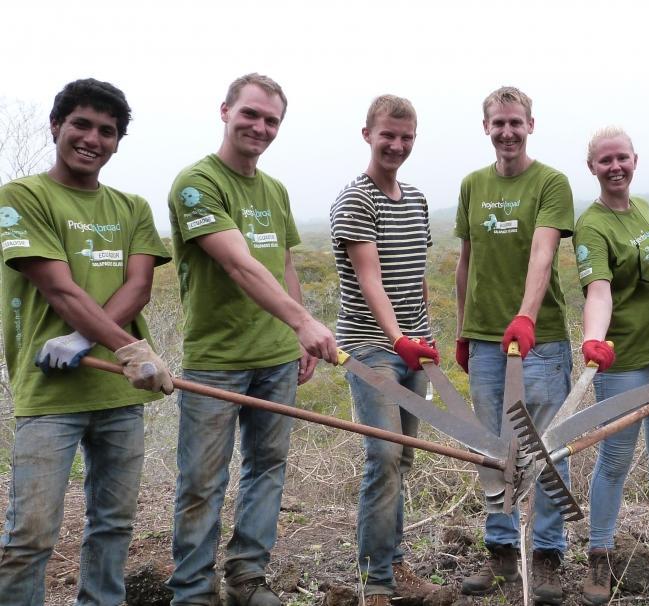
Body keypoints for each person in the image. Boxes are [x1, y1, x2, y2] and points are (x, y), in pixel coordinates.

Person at [165, 73, 339, 606]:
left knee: (267, 469)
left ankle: (247, 579)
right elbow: (239, 266)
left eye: (271, 120)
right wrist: (302, 323)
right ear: (225, 111)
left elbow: (282, 262)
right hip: (217, 360)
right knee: (202, 479)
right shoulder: (197, 183)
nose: (260, 127)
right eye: (251, 114)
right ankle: (192, 590)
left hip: (276, 360)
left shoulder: (274, 189)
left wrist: (297, 334)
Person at [0, 78, 173, 606]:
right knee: (29, 536)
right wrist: (132, 349)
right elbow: (57, 286)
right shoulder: (22, 197)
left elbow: (138, 286)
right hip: (49, 397)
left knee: (114, 526)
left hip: (119, 393)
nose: (92, 138)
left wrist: (89, 339)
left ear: (117, 141)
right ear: (57, 126)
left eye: (107, 130)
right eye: (81, 124)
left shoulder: (133, 207)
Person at [454, 86, 575, 604]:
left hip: (539, 340)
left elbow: (543, 255)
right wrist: (462, 329)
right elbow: (466, 260)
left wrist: (525, 317)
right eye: (498, 123)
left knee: (547, 447)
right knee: (493, 449)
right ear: (486, 127)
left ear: (531, 125)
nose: (507, 132)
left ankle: (547, 553)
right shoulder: (471, 185)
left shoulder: (550, 182)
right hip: (484, 341)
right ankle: (501, 550)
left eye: (516, 123)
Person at [574, 127, 649, 604]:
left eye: (622, 158)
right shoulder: (592, 225)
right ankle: (600, 556)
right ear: (592, 168)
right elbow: (598, 290)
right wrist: (592, 339)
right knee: (616, 460)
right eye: (605, 161)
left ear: (635, 160)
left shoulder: (643, 210)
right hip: (623, 361)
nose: (615, 167)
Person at [329, 94, 441, 606]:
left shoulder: (415, 199)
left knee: (405, 459)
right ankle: (376, 583)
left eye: (406, 137)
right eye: (387, 135)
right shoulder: (356, 201)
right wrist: (399, 341)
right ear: (367, 134)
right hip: (372, 349)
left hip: (414, 346)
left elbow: (413, 277)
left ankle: (395, 563)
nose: (396, 145)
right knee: (384, 454)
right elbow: (369, 280)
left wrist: (426, 335)